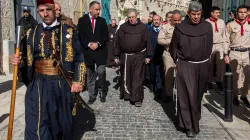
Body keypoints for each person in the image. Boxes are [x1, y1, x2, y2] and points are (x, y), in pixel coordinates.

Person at [11, 0, 86, 139]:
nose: (45, 13)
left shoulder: (70, 31)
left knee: (60, 123)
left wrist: (78, 81)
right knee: (36, 124)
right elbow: (24, 59)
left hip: (61, 82)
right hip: (38, 83)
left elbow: (79, 58)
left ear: (55, 10)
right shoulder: (31, 33)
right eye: (41, 10)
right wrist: (17, 60)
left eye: (48, 9)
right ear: (38, 12)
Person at [169, 1, 213, 137]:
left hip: (202, 65)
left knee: (197, 95)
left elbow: (210, 45)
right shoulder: (180, 28)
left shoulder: (207, 26)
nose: (196, 17)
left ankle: (195, 118)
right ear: (188, 13)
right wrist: (179, 60)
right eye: (193, 14)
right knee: (187, 95)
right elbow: (173, 47)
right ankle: (188, 125)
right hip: (185, 65)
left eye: (198, 14)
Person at [114, 8, 152, 107]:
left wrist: (148, 55)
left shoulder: (143, 27)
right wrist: (116, 55)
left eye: (133, 17)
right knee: (127, 76)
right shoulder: (122, 28)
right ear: (127, 18)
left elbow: (148, 42)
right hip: (126, 56)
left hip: (139, 55)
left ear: (136, 16)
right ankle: (127, 95)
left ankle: (137, 98)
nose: (131, 19)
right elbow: (117, 42)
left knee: (137, 77)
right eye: (129, 17)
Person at [77, 1, 109, 104]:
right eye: (96, 9)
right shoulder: (82, 20)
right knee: (90, 75)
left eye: (99, 9)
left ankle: (101, 91)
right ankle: (92, 95)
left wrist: (98, 43)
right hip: (88, 52)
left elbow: (105, 36)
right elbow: (80, 36)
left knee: (101, 72)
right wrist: (89, 44)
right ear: (91, 9)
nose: (98, 12)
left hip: (100, 52)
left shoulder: (102, 21)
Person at [224, 5, 250, 106]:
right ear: (237, 13)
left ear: (247, 13)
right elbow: (226, 40)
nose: (242, 14)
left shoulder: (249, 25)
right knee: (235, 76)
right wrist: (226, 54)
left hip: (247, 53)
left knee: (248, 76)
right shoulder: (230, 25)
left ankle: (243, 95)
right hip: (234, 52)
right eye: (240, 12)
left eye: (244, 12)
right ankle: (234, 95)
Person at [158, 10, 181, 102]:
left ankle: (181, 94)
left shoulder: (183, 27)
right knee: (169, 75)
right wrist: (171, 42)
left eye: (178, 20)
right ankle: (169, 94)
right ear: (171, 19)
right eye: (175, 20)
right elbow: (160, 40)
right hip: (169, 54)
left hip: (180, 55)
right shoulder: (165, 27)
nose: (177, 22)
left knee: (182, 75)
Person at [206, 6, 227, 90]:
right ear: (212, 13)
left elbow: (224, 34)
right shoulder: (206, 22)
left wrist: (225, 46)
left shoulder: (222, 22)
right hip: (210, 45)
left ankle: (219, 81)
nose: (218, 14)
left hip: (220, 45)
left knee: (221, 65)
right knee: (209, 64)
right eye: (216, 13)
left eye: (219, 13)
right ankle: (209, 81)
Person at [146, 15, 164, 96]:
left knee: (159, 72)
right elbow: (146, 43)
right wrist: (147, 56)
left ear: (160, 20)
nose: (156, 21)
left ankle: (158, 88)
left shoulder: (163, 30)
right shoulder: (148, 30)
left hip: (160, 55)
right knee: (152, 72)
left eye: (157, 20)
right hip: (151, 55)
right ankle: (152, 84)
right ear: (152, 21)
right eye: (154, 20)